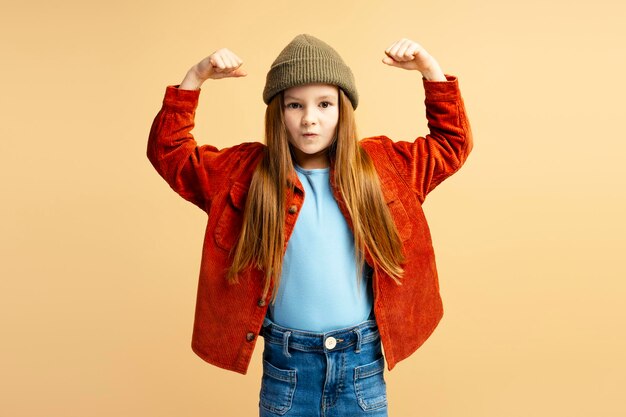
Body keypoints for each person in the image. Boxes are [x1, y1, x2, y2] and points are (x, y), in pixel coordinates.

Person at [147, 34, 472, 416]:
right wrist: (195, 77)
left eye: (324, 104)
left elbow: (451, 144)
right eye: (294, 105)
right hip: (287, 370)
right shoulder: (245, 174)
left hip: (360, 366)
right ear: (278, 112)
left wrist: (429, 70)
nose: (309, 118)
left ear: (343, 110)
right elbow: (171, 155)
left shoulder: (383, 168)